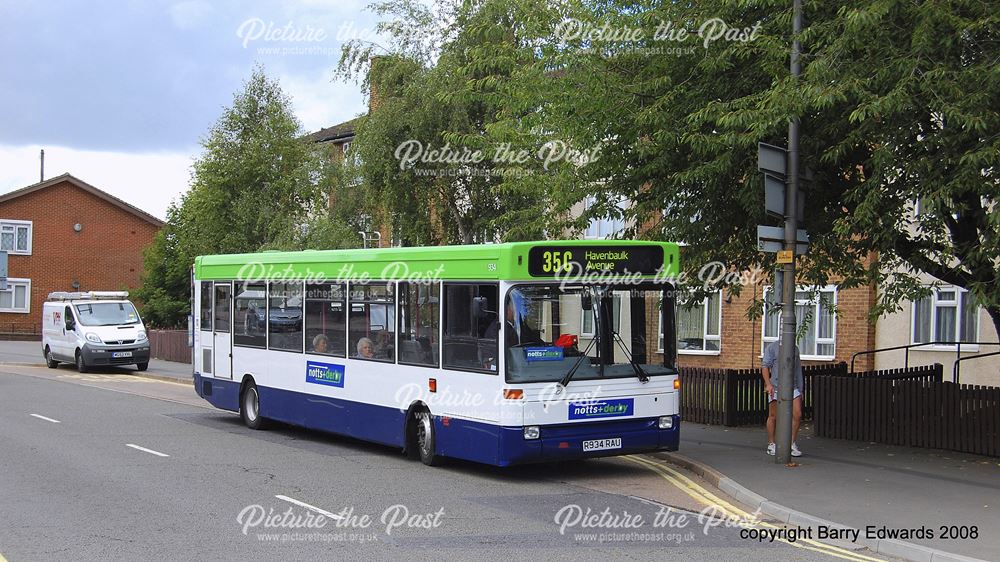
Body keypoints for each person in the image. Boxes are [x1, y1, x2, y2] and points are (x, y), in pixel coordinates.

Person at [761, 341, 804, 457]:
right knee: (773, 416)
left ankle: (791, 443)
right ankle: (771, 443)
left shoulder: (795, 348)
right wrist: (768, 384)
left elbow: (798, 369)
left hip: (792, 387)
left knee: (797, 414)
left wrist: (801, 389)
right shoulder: (772, 348)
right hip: (775, 386)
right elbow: (765, 366)